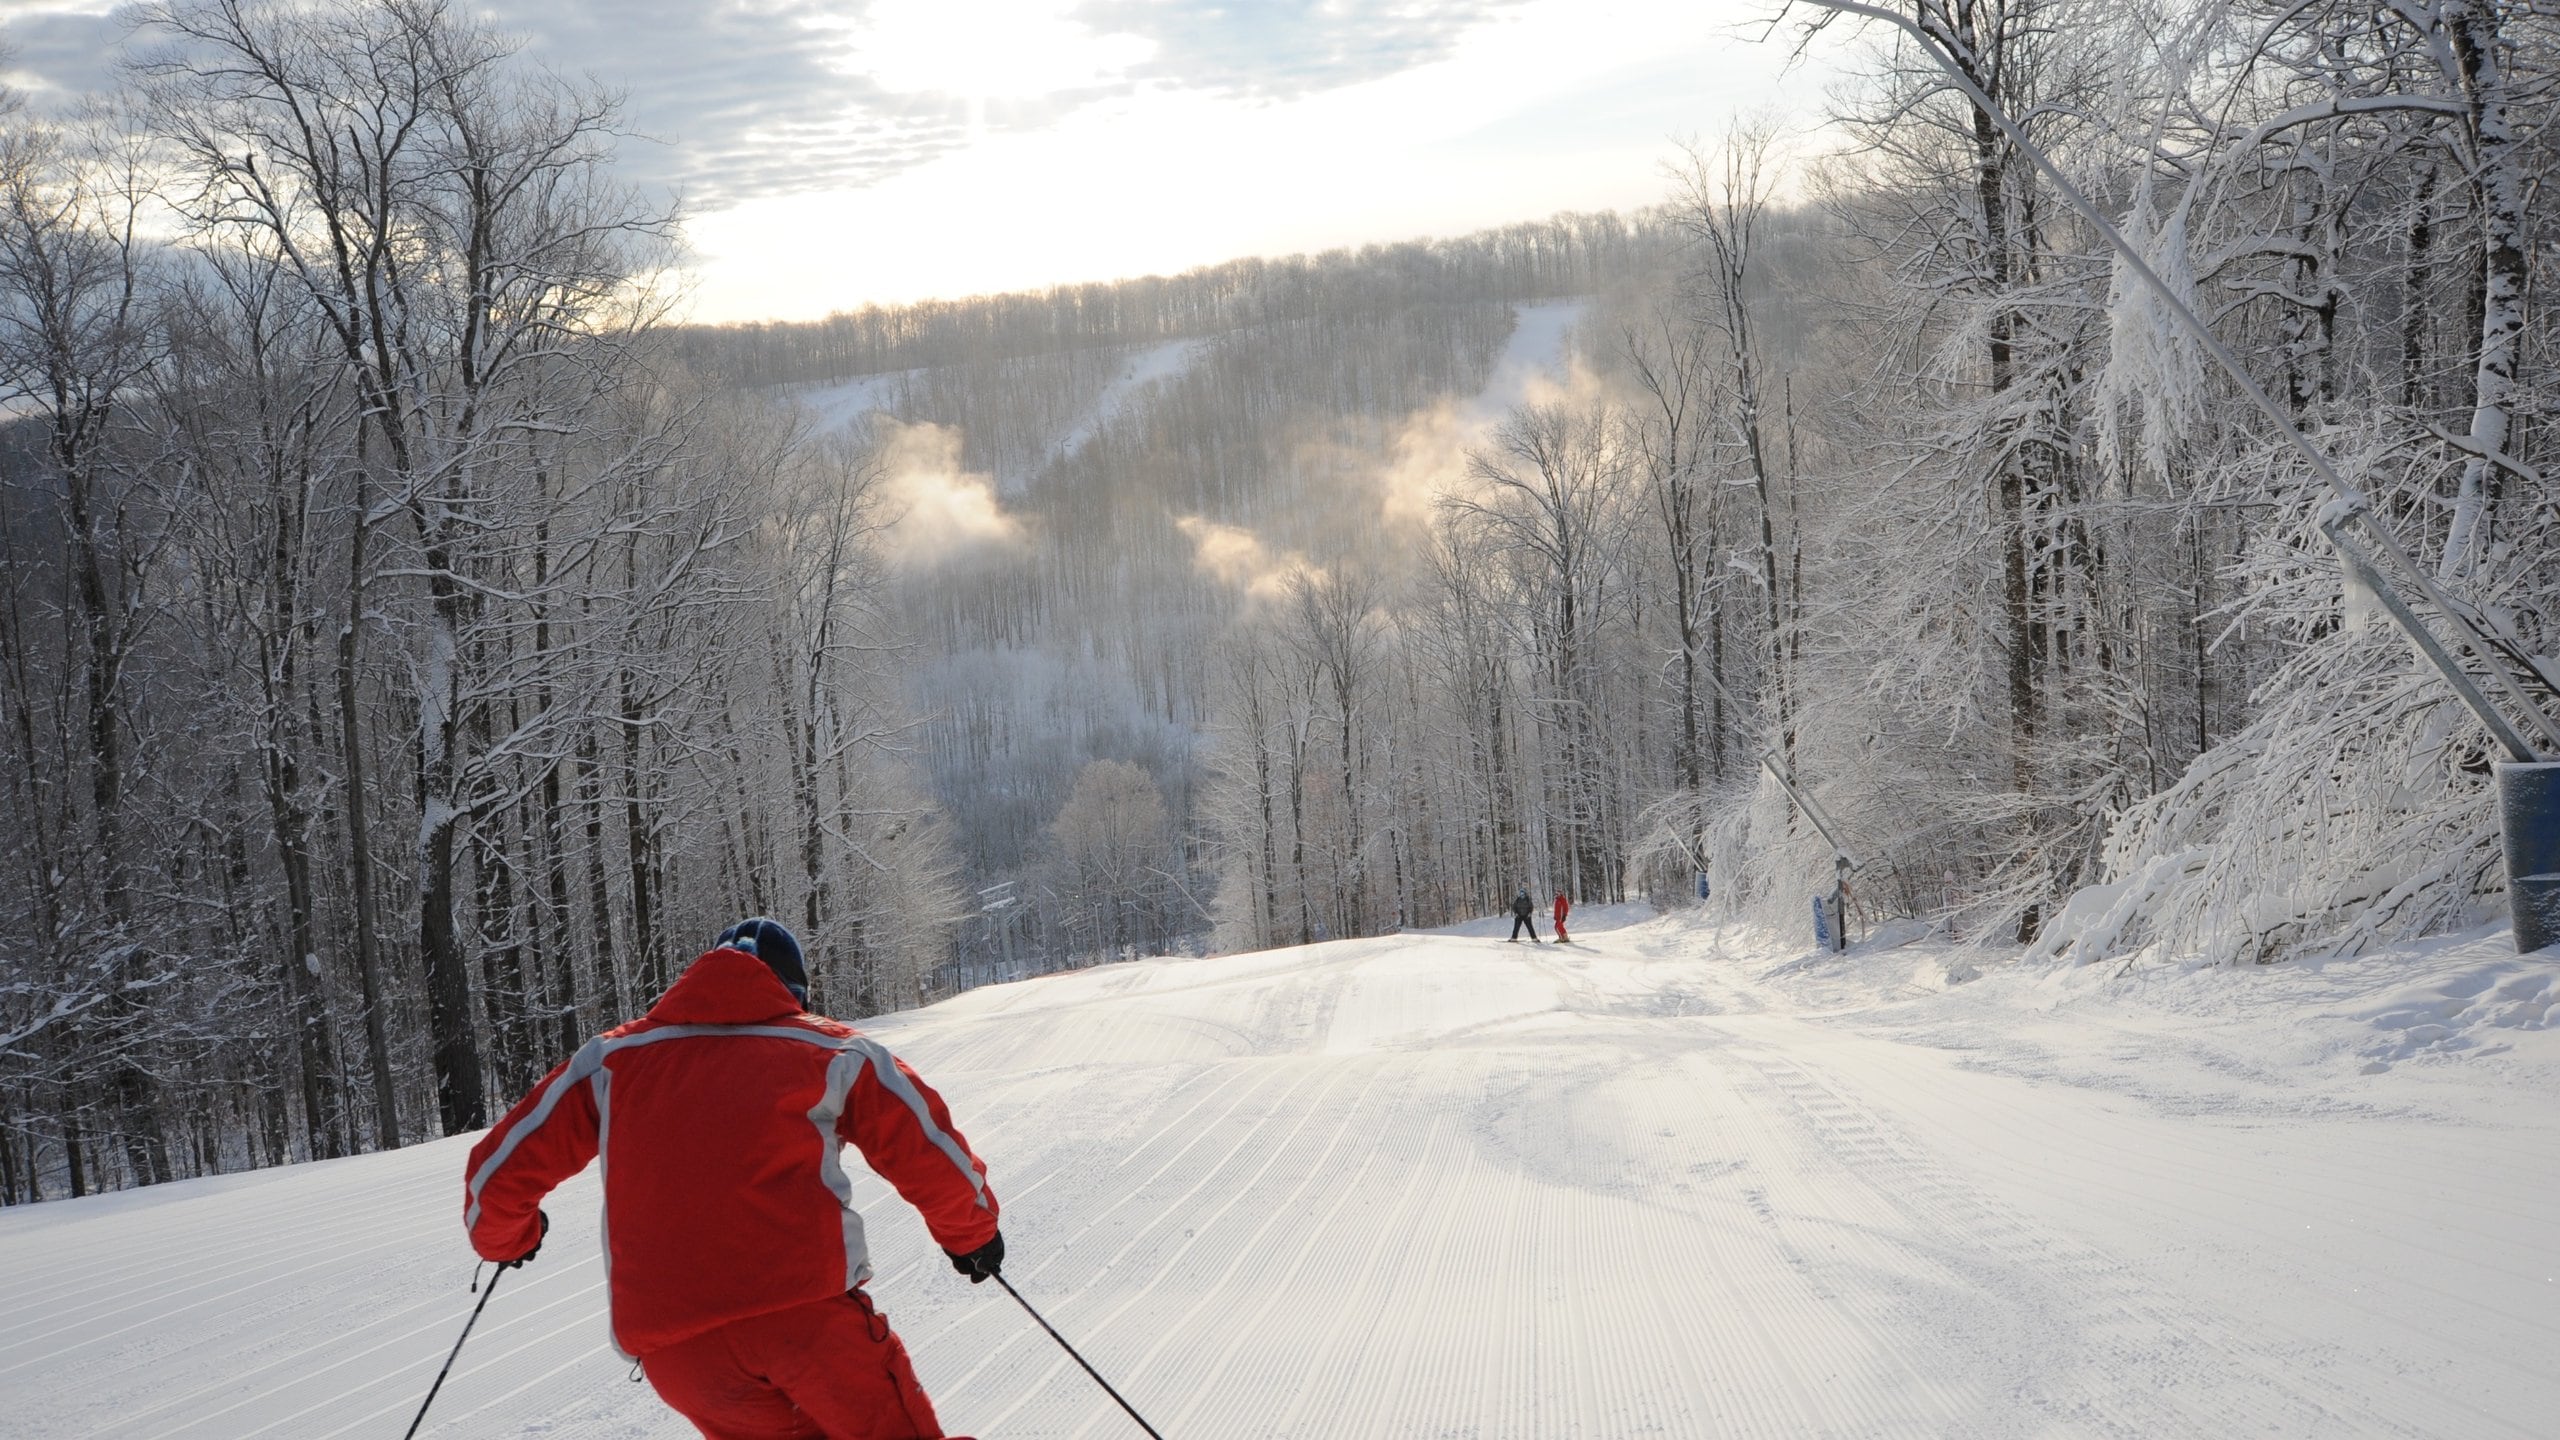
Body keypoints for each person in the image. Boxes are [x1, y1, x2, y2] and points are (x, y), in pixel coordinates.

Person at [462, 918, 1001, 1440]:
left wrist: (509, 1236)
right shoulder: (833, 1051)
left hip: (682, 1357)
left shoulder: (611, 1060)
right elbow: (924, 1145)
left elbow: (496, 1179)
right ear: (793, 993)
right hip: (808, 1328)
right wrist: (971, 1236)